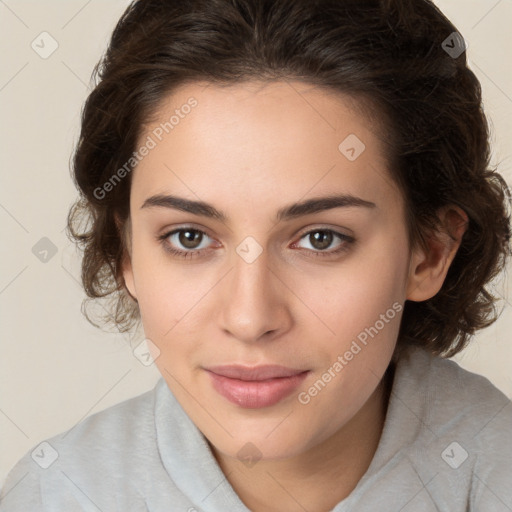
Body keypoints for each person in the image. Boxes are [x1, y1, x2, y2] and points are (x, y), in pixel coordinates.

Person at [1, 0, 511, 510]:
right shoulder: (56, 494)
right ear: (127, 253)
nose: (249, 318)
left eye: (321, 239)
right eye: (189, 238)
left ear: (430, 253)